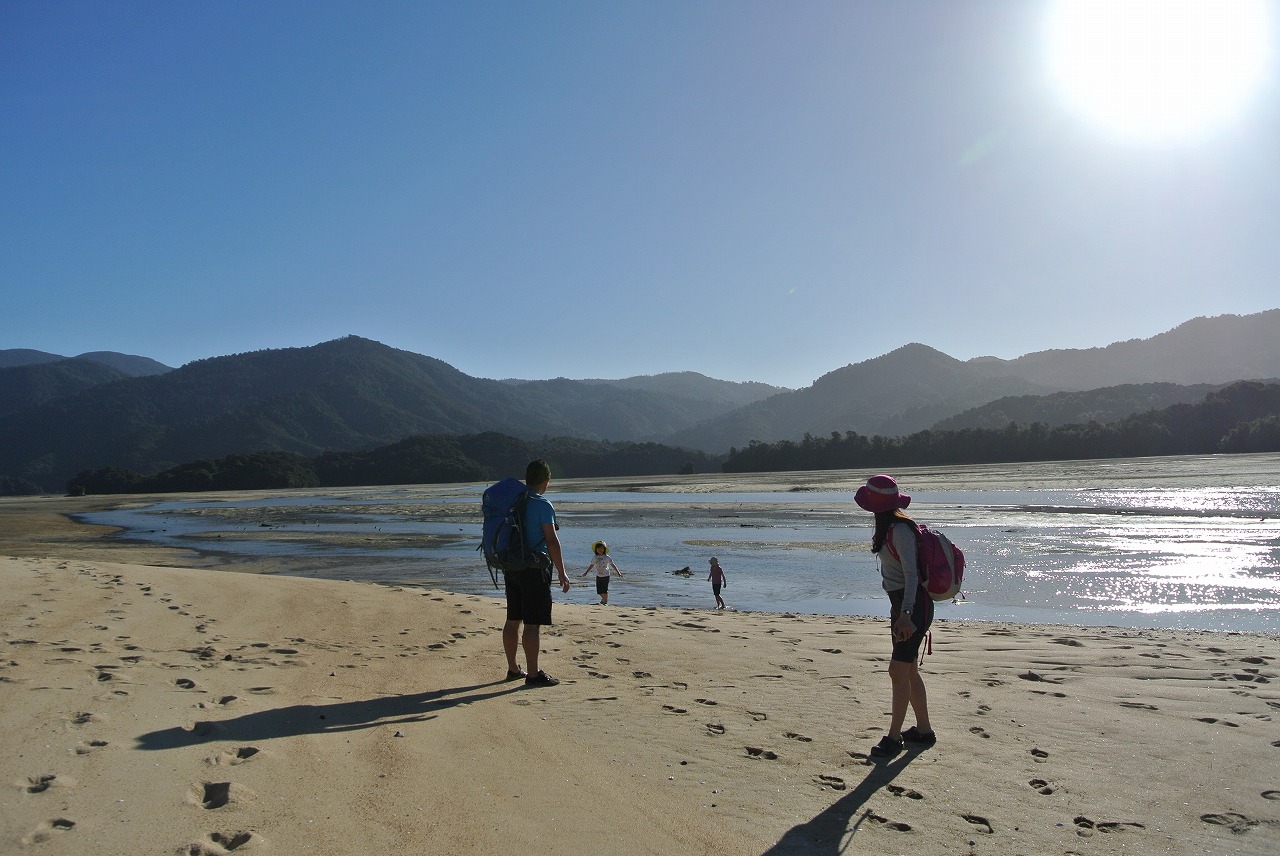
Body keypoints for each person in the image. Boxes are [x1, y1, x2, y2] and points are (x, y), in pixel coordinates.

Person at [854, 474, 936, 757]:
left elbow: (912, 576)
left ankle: (893, 738)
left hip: (911, 606)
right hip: (904, 605)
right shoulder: (891, 528)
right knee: (908, 670)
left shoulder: (899, 530)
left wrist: (906, 614)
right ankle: (924, 731)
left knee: (897, 671)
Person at [502, 459, 571, 687]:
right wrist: (562, 572)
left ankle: (513, 669)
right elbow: (552, 541)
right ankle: (532, 674)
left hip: (511, 566)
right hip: (534, 569)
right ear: (546, 481)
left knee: (513, 620)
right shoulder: (543, 505)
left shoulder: (514, 501)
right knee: (532, 624)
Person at [581, 540, 623, 604]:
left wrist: (618, 572)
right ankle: (604, 599)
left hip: (606, 576)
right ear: (596, 550)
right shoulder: (595, 557)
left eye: (601, 548)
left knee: (604, 589)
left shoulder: (607, 557)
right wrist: (586, 572)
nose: (600, 550)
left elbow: (613, 565)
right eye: (598, 548)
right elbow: (591, 565)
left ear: (604, 549)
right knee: (599, 591)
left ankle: (605, 601)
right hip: (598, 576)